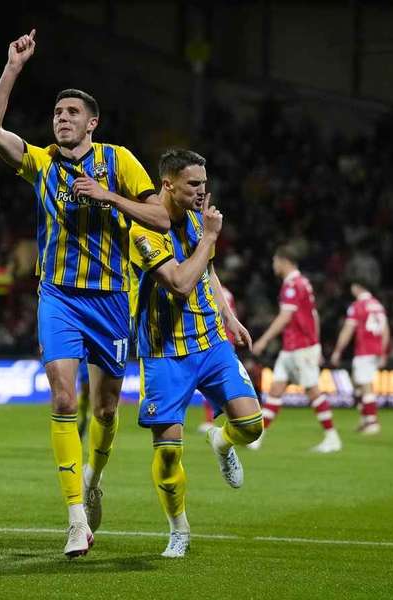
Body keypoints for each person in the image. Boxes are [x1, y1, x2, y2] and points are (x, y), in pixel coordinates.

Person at [0, 29, 171, 557]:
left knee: (106, 412)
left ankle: (93, 478)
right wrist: (13, 67)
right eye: (57, 112)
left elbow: (161, 216)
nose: (61, 117)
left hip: (111, 300)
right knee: (65, 398)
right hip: (58, 295)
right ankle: (73, 519)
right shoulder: (40, 163)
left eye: (71, 112)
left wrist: (108, 196)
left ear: (92, 123)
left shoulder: (118, 161)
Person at [130, 149, 261, 558]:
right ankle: (179, 529)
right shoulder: (144, 230)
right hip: (164, 352)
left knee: (253, 426)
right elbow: (181, 283)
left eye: (204, 183)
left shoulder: (195, 219)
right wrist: (209, 237)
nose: (203, 191)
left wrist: (230, 315)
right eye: (193, 185)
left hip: (211, 342)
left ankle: (222, 442)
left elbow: (208, 273)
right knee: (168, 454)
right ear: (168, 184)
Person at [251, 246, 342, 453]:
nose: (274, 265)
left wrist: (264, 340)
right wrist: (317, 343)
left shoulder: (292, 285)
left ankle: (332, 437)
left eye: (275, 261)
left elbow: (286, 317)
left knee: (312, 390)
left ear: (284, 261)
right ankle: (258, 437)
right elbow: (314, 315)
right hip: (293, 347)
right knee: (275, 390)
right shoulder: (303, 283)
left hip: (300, 347)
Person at [330, 278, 389, 434]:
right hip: (376, 350)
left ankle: (372, 422)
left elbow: (347, 330)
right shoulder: (378, 305)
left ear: (357, 288)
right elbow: (386, 330)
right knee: (359, 384)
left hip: (365, 351)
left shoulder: (357, 306)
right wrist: (383, 352)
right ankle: (365, 419)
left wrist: (337, 350)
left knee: (365, 385)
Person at [198, 282, 238, 433]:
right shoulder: (227, 294)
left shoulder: (210, 291)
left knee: (216, 382)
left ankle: (230, 419)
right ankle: (211, 420)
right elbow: (233, 317)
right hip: (225, 341)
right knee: (214, 381)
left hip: (216, 341)